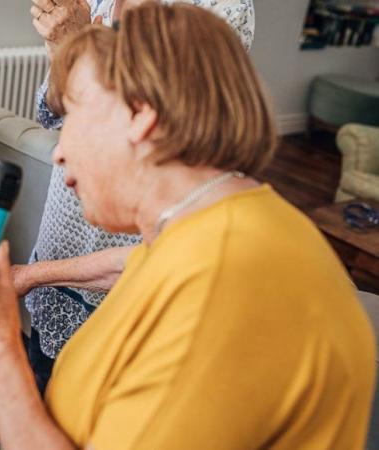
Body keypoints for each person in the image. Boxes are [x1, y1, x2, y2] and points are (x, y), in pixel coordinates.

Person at [0, 4, 375, 449]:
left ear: (140, 113)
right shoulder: (206, 221)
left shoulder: (228, 282)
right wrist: (27, 277)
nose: (59, 151)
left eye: (77, 113)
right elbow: (134, 263)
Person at [19, 0, 256, 394]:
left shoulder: (222, 7)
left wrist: (77, 44)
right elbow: (56, 111)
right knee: (48, 384)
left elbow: (165, 132)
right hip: (67, 230)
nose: (58, 153)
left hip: (131, 255)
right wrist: (62, 46)